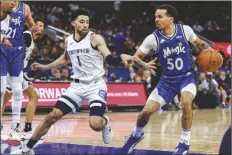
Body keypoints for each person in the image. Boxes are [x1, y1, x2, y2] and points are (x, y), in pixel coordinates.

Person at [10, 8, 135, 154]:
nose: (85, 25)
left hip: (95, 85)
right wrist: (46, 66)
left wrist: (120, 58)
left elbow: (109, 58)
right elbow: (65, 59)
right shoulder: (68, 40)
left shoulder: (95, 38)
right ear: (73, 23)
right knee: (52, 116)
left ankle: (105, 123)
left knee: (95, 124)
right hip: (76, 86)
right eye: (81, 22)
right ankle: (27, 148)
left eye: (87, 22)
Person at [121, 4, 217, 154]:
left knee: (185, 102)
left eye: (160, 16)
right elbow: (136, 58)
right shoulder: (152, 38)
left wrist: (211, 51)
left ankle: (184, 143)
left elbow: (200, 44)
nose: (156, 20)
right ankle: (136, 134)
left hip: (187, 77)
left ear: (170, 19)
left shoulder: (185, 30)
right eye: (155, 17)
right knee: (144, 113)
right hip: (167, 82)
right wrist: (144, 64)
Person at [1, 0, 43, 141]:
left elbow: (34, 31)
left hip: (17, 62)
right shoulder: (4, 10)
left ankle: (23, 130)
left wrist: (37, 30)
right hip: (5, 55)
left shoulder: (25, 9)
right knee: (4, 96)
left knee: (30, 95)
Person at [0, 0, 16, 141]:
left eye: (15, 2)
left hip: (2, 57)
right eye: (11, 1)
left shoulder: (9, 19)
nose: (13, 4)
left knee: (1, 91)